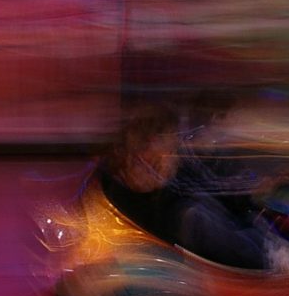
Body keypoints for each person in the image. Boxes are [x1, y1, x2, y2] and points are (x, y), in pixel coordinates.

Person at [99, 103, 277, 270]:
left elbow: (218, 192)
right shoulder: (183, 214)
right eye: (170, 151)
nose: (174, 159)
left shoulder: (171, 187)